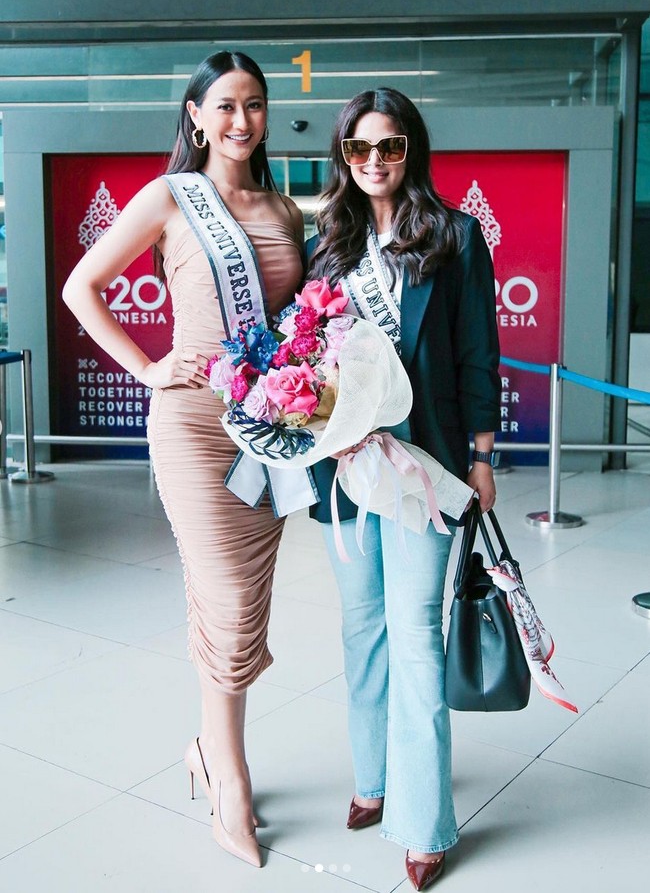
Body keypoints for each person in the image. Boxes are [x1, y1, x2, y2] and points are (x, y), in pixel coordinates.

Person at [63, 51, 304, 869]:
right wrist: (146, 367)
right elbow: (81, 287)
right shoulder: (170, 197)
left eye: (255, 104)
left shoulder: (282, 207)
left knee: (238, 601)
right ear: (196, 116)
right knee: (227, 595)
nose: (242, 120)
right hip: (194, 427)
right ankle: (229, 774)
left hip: (265, 430)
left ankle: (207, 748)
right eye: (225, 105)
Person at [306, 88, 500, 890]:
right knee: (362, 627)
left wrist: (482, 457)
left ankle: (423, 820)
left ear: (411, 149)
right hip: (348, 464)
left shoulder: (455, 237)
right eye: (360, 148)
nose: (375, 161)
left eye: (390, 146)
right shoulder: (329, 245)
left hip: (426, 462)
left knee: (416, 632)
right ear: (344, 157)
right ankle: (374, 775)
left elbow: (478, 352)